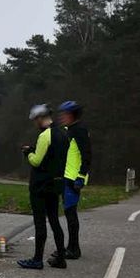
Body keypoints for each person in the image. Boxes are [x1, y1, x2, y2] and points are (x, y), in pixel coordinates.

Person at [19, 104, 70, 270]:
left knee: (40, 222)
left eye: (35, 120)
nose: (35, 124)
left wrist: (28, 152)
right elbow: (53, 156)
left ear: (40, 118)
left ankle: (37, 259)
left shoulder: (44, 135)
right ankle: (61, 258)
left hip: (40, 185)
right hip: (56, 183)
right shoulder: (63, 133)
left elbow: (37, 161)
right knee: (55, 221)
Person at [59, 100, 91, 259]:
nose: (62, 117)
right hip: (67, 176)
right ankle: (70, 247)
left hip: (74, 178)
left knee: (71, 214)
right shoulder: (70, 130)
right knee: (68, 212)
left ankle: (74, 249)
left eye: (65, 114)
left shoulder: (79, 131)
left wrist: (81, 175)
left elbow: (87, 155)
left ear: (72, 115)